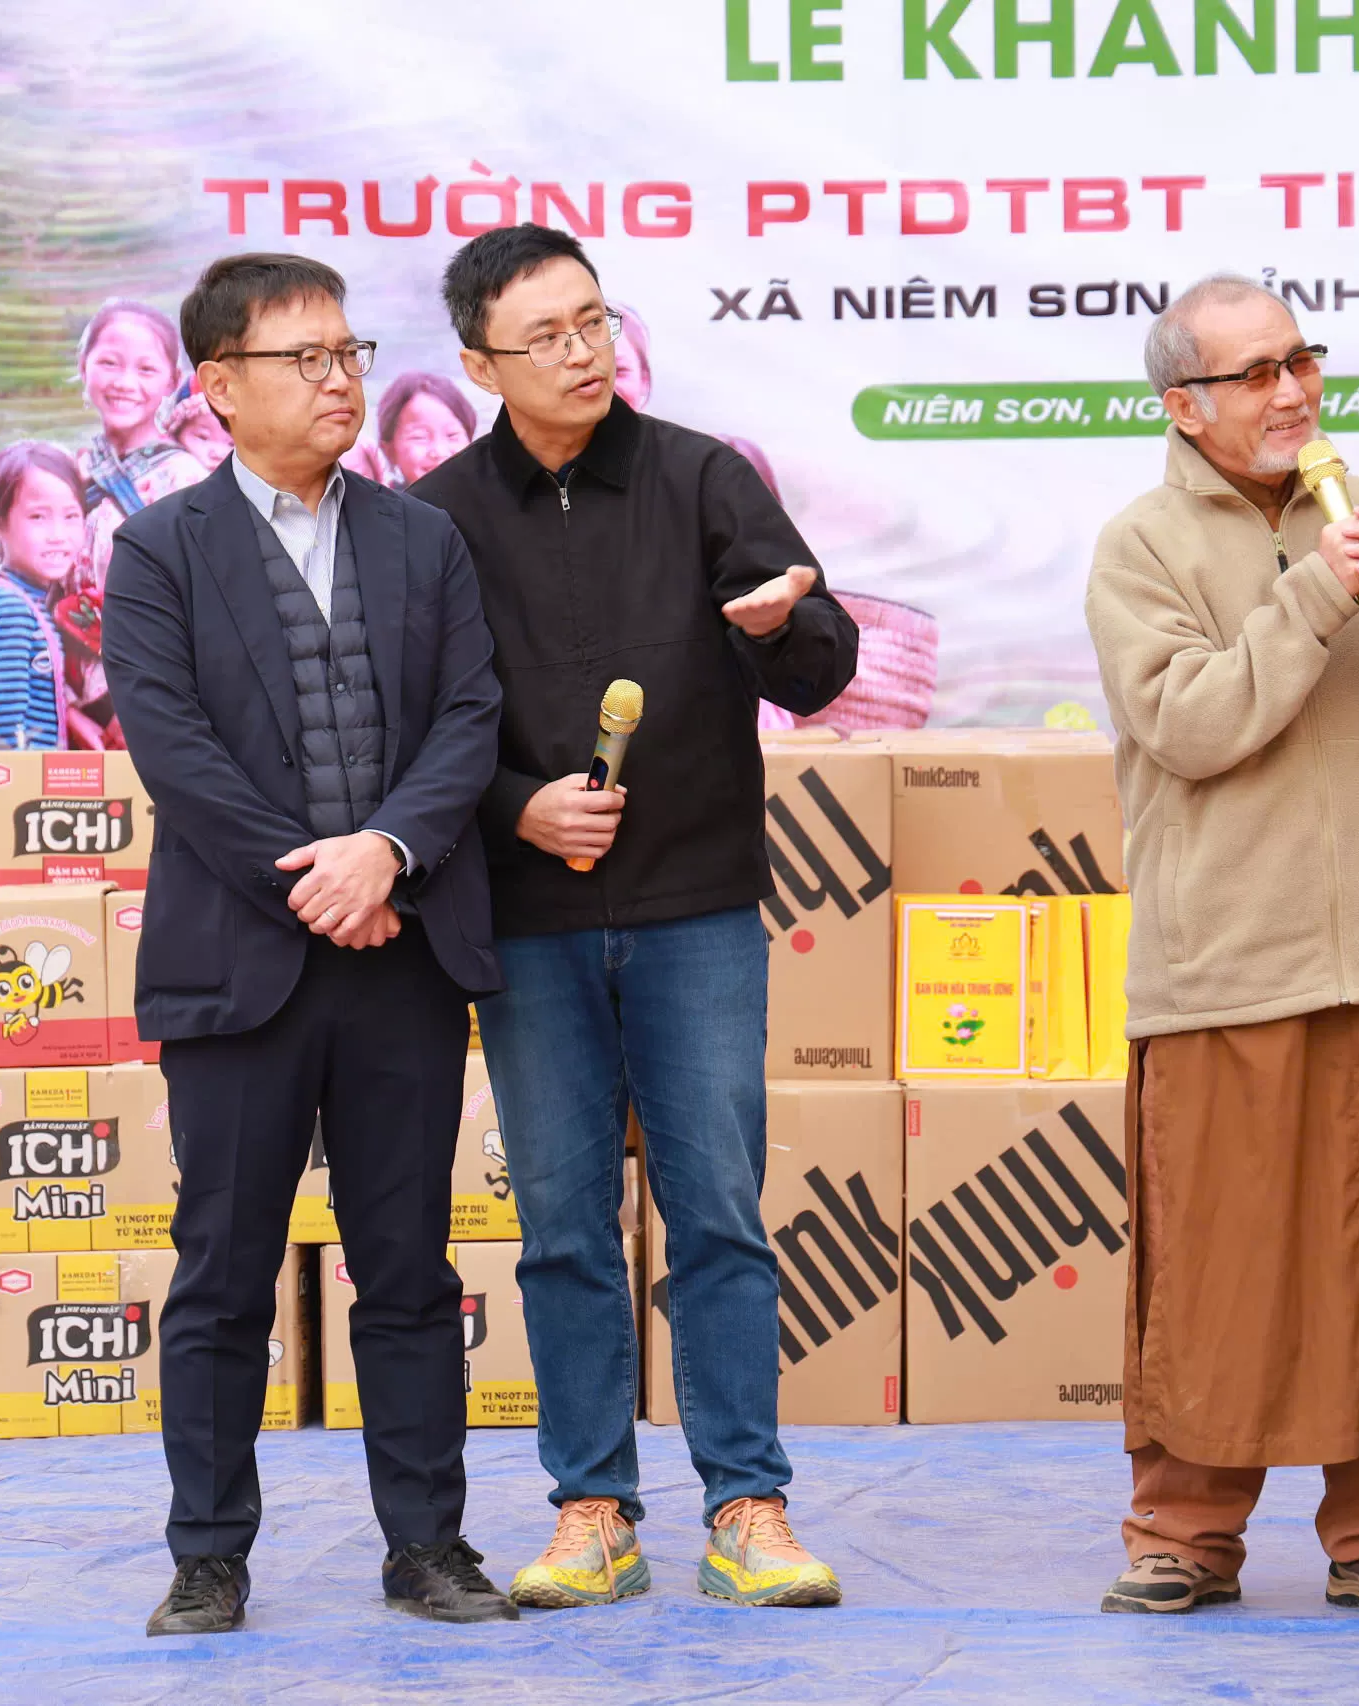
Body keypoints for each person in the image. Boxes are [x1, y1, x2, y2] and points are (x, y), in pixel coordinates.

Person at [412, 225, 858, 1611]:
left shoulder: (702, 477)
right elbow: (412, 733)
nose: (581, 352)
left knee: (717, 1211)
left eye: (594, 321)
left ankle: (749, 1505)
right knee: (561, 1225)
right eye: (544, 335)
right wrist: (516, 809)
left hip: (695, 909)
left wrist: (780, 625)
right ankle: (592, 1506)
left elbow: (823, 668)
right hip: (529, 921)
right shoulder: (434, 519)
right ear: (479, 363)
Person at [1083, 274, 1359, 1621]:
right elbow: (1192, 724)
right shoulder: (1142, 545)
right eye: (1256, 371)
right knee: (1220, 1266)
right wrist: (1317, 598)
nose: (1292, 391)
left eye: (1302, 360)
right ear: (1184, 406)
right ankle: (1184, 1532)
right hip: (1227, 962)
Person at [103, 253, 514, 1635]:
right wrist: (318, 879)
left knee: (407, 1267)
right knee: (223, 1273)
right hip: (240, 969)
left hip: (401, 953)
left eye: (350, 353)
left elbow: (468, 717)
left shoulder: (421, 539)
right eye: (306, 358)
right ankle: (209, 1553)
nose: (341, 380)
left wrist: (385, 851)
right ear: (219, 386)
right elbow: (176, 751)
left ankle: (428, 1545)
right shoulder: (160, 551)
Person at [75, 302, 209, 745]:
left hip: (153, 707)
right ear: (83, 365)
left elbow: (204, 611)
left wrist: (141, 706)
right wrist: (70, 708)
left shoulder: (185, 481)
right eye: (109, 363)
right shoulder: (72, 474)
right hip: (67, 701)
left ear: (171, 381)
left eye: (146, 369)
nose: (124, 382)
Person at [0, 441, 88, 752]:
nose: (58, 535)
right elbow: (1, 733)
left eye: (71, 516)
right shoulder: (8, 609)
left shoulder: (30, 599)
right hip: (12, 778)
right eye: (38, 517)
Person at [377, 371, 478, 487]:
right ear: (389, 451)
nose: (440, 452)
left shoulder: (489, 494)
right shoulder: (380, 498)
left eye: (452, 435)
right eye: (420, 437)